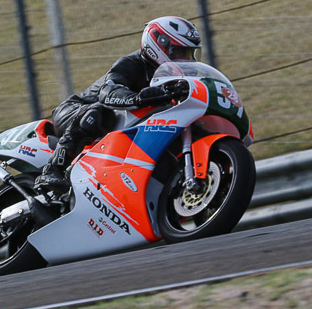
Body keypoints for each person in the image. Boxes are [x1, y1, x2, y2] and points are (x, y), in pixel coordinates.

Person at [34, 16, 202, 194]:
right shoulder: (132, 63)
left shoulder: (173, 81)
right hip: (73, 110)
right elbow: (108, 92)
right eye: (180, 53)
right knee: (97, 113)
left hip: (112, 133)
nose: (186, 60)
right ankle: (52, 170)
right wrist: (138, 98)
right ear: (159, 44)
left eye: (189, 54)